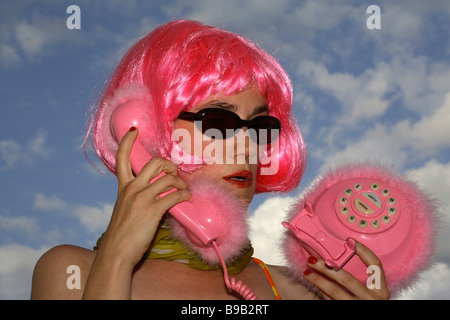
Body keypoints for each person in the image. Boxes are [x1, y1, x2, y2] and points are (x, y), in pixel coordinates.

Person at [30, 20, 390, 300]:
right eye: (219, 122)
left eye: (261, 126)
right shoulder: (72, 271)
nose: (247, 146)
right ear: (145, 132)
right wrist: (117, 258)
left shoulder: (306, 290)